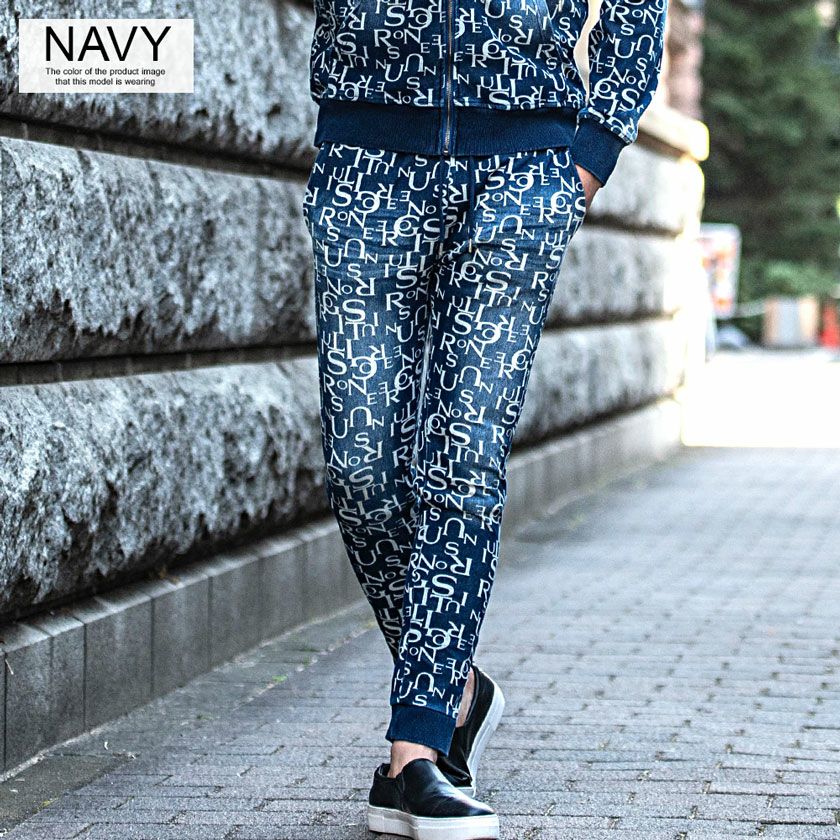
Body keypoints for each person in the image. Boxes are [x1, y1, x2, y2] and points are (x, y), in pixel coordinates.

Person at [302, 2, 667, 837]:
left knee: (465, 455)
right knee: (360, 467)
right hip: (366, 159)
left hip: (522, 170)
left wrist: (593, 150)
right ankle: (456, 690)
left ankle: (416, 748)